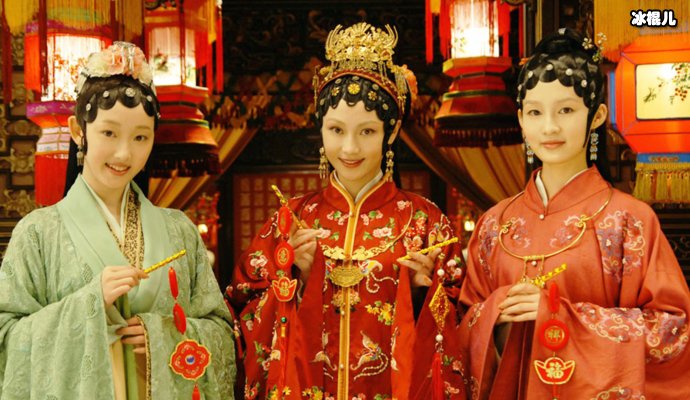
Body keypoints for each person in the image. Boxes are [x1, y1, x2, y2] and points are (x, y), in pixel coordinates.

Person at [227, 23, 466, 399]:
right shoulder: (290, 220)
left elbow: (465, 323)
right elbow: (241, 312)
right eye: (336, 130)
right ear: (320, 130)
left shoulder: (426, 223)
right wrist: (292, 280)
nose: (350, 148)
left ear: (390, 132)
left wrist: (423, 296)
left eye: (366, 132)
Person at [457, 28, 690, 399]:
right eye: (535, 112)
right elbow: (462, 327)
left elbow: (672, 333)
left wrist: (560, 315)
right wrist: (494, 313)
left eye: (566, 110)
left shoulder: (629, 220)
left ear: (597, 116)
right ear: (521, 119)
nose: (549, 126)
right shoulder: (494, 224)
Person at [0, 42, 236, 399]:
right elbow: (7, 341)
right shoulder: (38, 233)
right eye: (109, 133)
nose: (124, 153)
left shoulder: (179, 230)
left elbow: (220, 333)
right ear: (78, 131)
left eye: (140, 137)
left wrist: (163, 334)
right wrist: (89, 303)